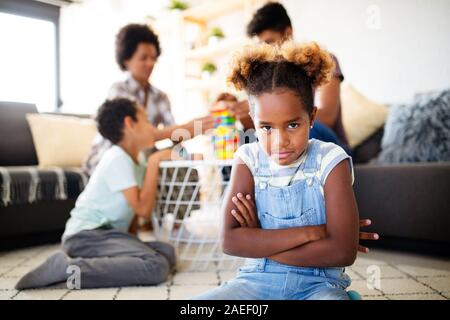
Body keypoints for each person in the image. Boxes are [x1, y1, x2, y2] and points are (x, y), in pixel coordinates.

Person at [193, 41, 378, 300]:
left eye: (292, 125)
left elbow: (343, 252)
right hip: (256, 280)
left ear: (311, 117)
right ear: (253, 120)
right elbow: (230, 241)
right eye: (266, 128)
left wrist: (259, 240)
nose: (279, 141)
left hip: (320, 285)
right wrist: (312, 233)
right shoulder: (247, 159)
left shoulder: (331, 160)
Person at [16, 98, 176, 289]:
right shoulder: (117, 157)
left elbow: (132, 215)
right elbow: (142, 209)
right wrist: (154, 163)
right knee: (155, 266)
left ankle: (84, 265)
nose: (152, 127)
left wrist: (133, 246)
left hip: (109, 236)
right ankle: (68, 270)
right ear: (129, 123)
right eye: (146, 120)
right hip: (86, 236)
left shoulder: (137, 160)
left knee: (167, 252)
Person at [83, 23, 214, 177]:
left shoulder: (160, 97)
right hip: (110, 156)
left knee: (187, 172)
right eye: (143, 58)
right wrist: (187, 127)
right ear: (126, 60)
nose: (150, 63)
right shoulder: (119, 90)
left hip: (140, 158)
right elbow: (133, 135)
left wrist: (187, 154)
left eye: (153, 58)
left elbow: (175, 137)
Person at [227, 2, 350, 152]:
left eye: (269, 41)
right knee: (245, 137)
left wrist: (284, 120)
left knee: (307, 127)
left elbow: (327, 118)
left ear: (288, 33)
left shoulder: (321, 62)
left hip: (327, 139)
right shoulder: (266, 74)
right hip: (288, 138)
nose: (265, 49)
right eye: (260, 45)